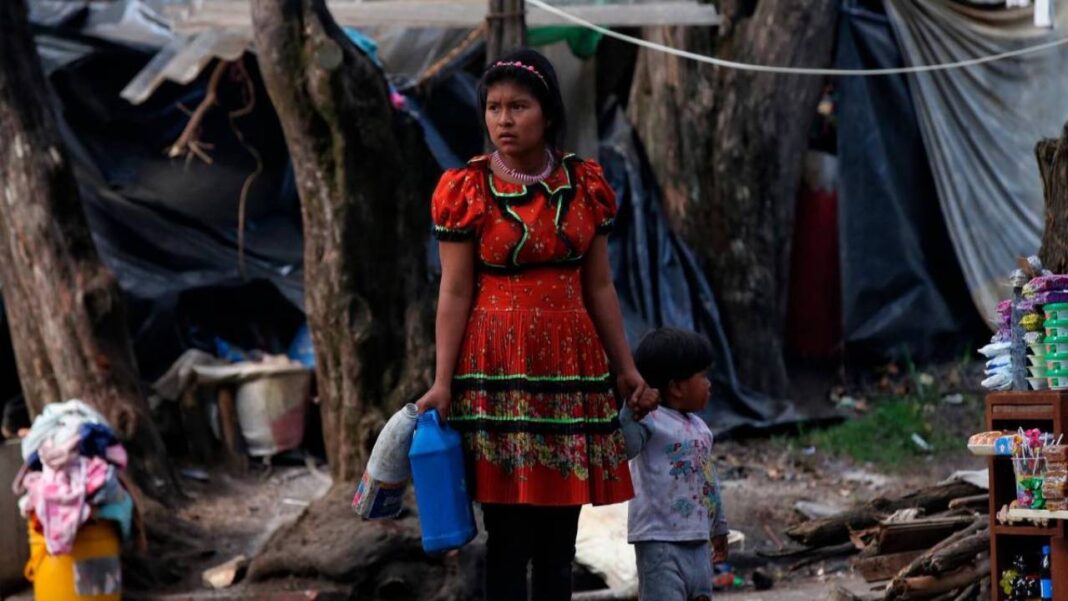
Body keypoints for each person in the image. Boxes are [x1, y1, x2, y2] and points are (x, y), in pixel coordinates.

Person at [415, 47, 659, 600]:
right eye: (494, 107)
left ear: (547, 113)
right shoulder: (467, 191)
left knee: (557, 539)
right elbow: (453, 292)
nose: (504, 119)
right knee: (506, 537)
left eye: (519, 106)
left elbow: (599, 286)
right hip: (496, 373)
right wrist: (441, 381)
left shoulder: (584, 185)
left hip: (571, 374)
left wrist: (625, 371)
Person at [621, 328, 729, 601]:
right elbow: (625, 448)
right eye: (702, 376)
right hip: (659, 541)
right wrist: (629, 408)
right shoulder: (649, 420)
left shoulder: (700, 429)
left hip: (697, 540)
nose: (709, 384)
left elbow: (709, 481)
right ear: (676, 387)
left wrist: (719, 528)